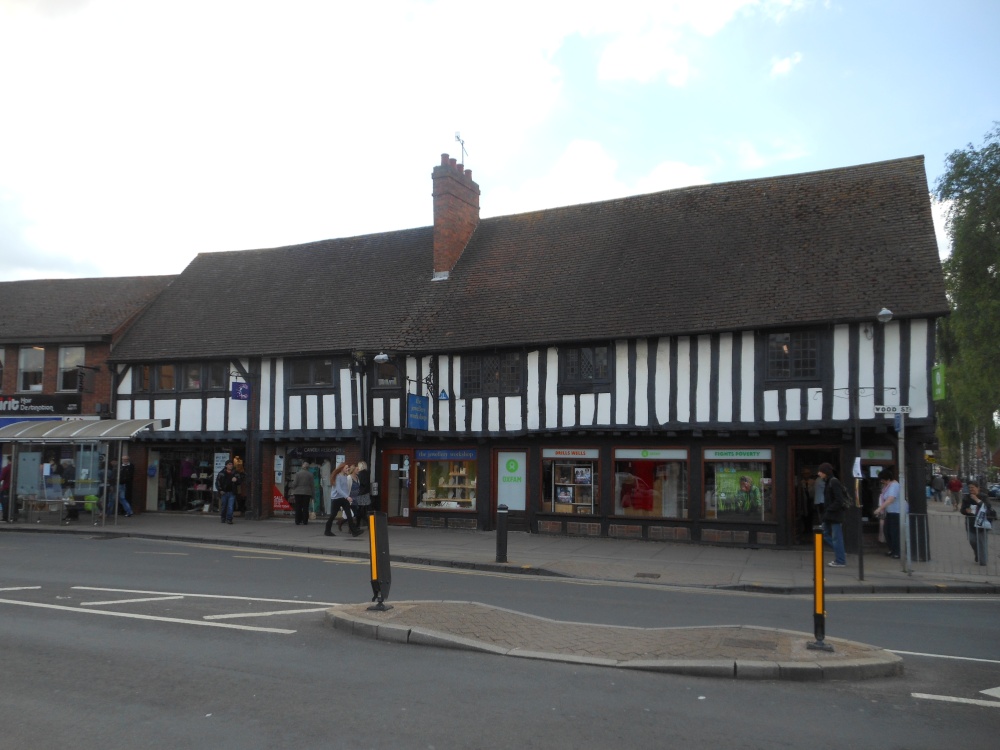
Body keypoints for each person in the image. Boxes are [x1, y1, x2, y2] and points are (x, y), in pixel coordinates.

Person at [817, 463, 847, 567]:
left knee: (836, 538)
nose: (818, 473)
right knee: (825, 534)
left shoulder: (834, 482)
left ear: (825, 472)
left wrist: (828, 510)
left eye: (820, 471)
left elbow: (839, 500)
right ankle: (840, 553)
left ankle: (840, 559)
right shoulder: (829, 481)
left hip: (835, 516)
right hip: (829, 515)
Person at [960, 482, 995, 566]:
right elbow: (962, 510)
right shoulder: (966, 498)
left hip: (982, 523)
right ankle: (977, 554)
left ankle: (983, 561)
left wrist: (977, 500)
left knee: (982, 542)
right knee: (972, 540)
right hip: (971, 523)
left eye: (973, 487)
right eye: (969, 488)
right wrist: (965, 511)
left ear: (978, 488)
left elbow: (987, 507)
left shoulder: (984, 496)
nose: (971, 489)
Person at [325, 463, 360, 537]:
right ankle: (327, 530)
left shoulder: (345, 476)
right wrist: (347, 497)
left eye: (348, 468)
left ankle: (354, 531)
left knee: (349, 515)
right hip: (336, 498)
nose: (348, 469)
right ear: (342, 469)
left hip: (344, 498)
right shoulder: (338, 476)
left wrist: (347, 497)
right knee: (333, 515)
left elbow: (346, 489)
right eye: (346, 468)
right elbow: (338, 489)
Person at [874, 468, 902, 559]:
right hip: (890, 512)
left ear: (888, 479)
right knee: (887, 531)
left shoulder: (894, 486)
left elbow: (890, 499)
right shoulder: (887, 486)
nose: (882, 481)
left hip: (896, 512)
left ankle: (896, 552)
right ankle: (892, 550)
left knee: (894, 532)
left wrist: (879, 509)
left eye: (883, 479)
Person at [216, 459, 241, 524]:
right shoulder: (221, 473)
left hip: (232, 492)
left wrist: (236, 480)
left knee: (230, 506)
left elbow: (239, 482)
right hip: (224, 492)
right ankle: (223, 518)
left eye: (232, 464)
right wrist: (220, 490)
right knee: (224, 506)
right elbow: (217, 482)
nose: (231, 465)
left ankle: (229, 519)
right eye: (229, 464)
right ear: (226, 465)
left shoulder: (235, 473)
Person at [290, 461, 314, 526]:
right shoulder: (310, 474)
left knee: (298, 507)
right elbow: (312, 485)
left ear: (302, 466)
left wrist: (292, 487)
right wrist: (313, 495)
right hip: (307, 493)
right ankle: (305, 521)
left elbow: (295, 483)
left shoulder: (298, 474)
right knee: (306, 507)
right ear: (308, 467)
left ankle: (298, 521)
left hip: (298, 492)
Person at [1, 457, 12, 522]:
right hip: (13, 488)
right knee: (12, 502)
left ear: (9, 460)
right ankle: (12, 516)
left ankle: (5, 517)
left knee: (4, 503)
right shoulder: (17, 467)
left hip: (6, 488)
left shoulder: (7, 468)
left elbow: (1, 477)